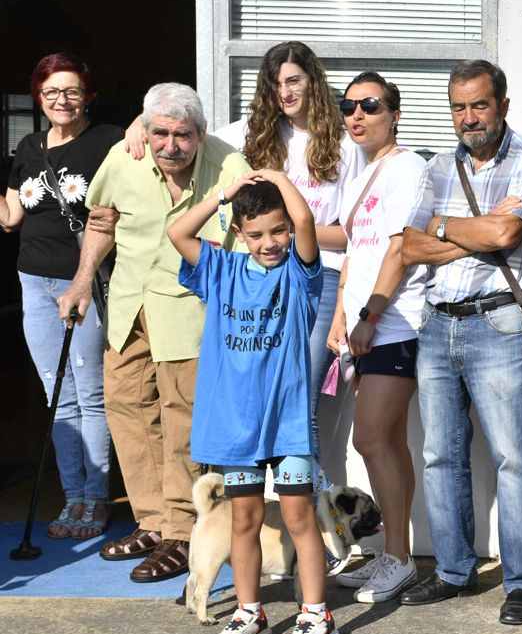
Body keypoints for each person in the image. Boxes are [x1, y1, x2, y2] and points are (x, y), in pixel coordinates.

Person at [127, 42, 363, 464]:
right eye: (275, 85)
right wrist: (138, 126)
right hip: (251, 280)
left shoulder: (345, 145)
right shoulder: (246, 133)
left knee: (298, 397)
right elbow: (182, 129)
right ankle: (261, 506)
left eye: (294, 81)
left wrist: (292, 232)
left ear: (313, 82)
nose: (285, 93)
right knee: (252, 394)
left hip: (315, 278)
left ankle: (301, 509)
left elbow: (349, 235)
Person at [58, 83, 251, 581]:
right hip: (127, 306)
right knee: (128, 411)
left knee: (183, 420)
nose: (170, 145)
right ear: (145, 129)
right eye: (160, 132)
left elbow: (256, 235)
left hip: (188, 310)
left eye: (183, 135)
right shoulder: (125, 157)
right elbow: (101, 221)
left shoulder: (230, 165)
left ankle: (185, 533)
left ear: (201, 133)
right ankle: (153, 521)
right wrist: (82, 282)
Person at [400, 59, 522, 626]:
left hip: (499, 323)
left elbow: (507, 234)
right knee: (441, 455)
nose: (469, 117)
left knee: (514, 456)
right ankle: (454, 572)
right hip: (438, 322)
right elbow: (409, 246)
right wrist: (472, 230)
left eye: (479, 104)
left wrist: (444, 225)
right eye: (459, 107)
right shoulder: (437, 164)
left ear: (503, 105)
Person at [169, 169, 335, 634]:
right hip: (235, 427)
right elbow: (178, 232)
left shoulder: (300, 275)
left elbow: (304, 218)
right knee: (243, 518)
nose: (271, 242)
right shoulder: (220, 270)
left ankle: (315, 614)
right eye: (257, 233)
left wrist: (280, 177)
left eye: (278, 230)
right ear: (238, 232)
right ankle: (249, 612)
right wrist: (226, 192)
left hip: (287, 423)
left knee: (301, 517)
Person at [1, 53, 122, 539]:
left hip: (84, 282)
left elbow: (113, 212)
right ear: (39, 96)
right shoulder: (29, 146)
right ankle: (72, 498)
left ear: (88, 95)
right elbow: (11, 217)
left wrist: (138, 126)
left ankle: (96, 500)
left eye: (71, 91)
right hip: (34, 282)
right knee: (58, 397)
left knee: (91, 397)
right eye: (51, 92)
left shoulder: (109, 140)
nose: (62, 101)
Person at [324, 72, 428, 604]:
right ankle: (396, 552)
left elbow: (400, 250)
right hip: (367, 325)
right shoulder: (362, 172)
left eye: (370, 105)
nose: (357, 115)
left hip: (395, 324)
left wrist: (369, 315)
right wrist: (343, 312)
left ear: (395, 113)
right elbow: (352, 252)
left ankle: (400, 558)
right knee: (386, 441)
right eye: (349, 107)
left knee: (368, 438)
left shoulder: (406, 167)